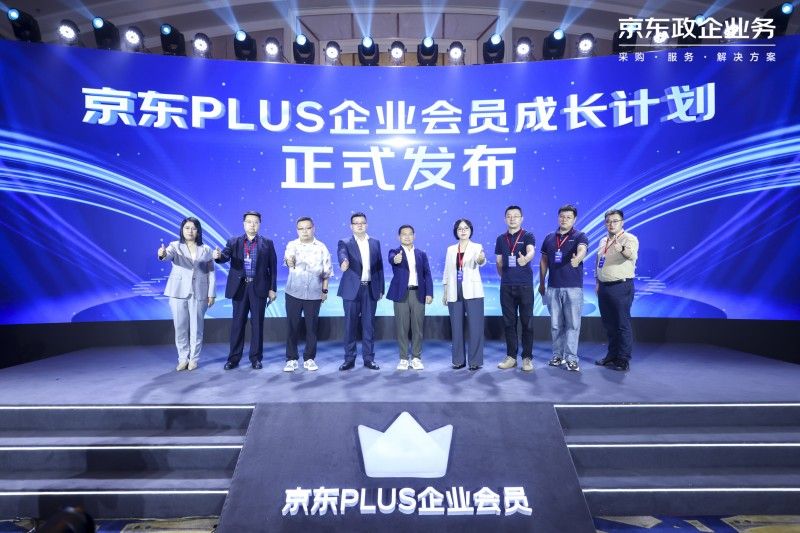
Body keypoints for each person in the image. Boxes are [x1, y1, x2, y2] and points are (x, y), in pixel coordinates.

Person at [213, 211, 277, 370]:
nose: (252, 225)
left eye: (255, 222)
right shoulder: (234, 241)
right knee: (237, 324)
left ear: (259, 224)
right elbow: (224, 256)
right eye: (249, 222)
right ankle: (233, 359)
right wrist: (218, 256)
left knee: (257, 324)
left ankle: (256, 358)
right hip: (240, 288)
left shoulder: (267, 243)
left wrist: (272, 289)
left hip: (259, 288)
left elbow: (273, 268)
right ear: (244, 224)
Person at [158, 217, 216, 371]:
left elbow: (211, 273)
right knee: (180, 327)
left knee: (197, 328)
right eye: (187, 228)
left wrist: (212, 293)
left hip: (200, 291)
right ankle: (183, 358)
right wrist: (162, 254)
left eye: (194, 228)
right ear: (182, 230)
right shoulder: (175, 246)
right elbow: (166, 255)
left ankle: (194, 359)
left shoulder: (206, 249)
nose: (190, 231)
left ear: (198, 231)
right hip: (178, 291)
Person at [539, 205, 589, 372]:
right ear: (558, 217)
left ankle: (572, 358)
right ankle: (557, 355)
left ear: (574, 219)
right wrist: (541, 283)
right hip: (553, 287)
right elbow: (544, 261)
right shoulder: (549, 238)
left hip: (573, 288)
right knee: (555, 325)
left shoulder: (580, 236)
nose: (564, 219)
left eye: (568, 217)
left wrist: (578, 259)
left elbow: (582, 249)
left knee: (573, 325)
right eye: (562, 216)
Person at [283, 217, 332, 372]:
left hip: (314, 293)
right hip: (293, 292)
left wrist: (324, 291)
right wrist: (290, 261)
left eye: (308, 228)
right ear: (297, 230)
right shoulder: (292, 245)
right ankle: (291, 359)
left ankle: (309, 358)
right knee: (292, 327)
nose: (305, 231)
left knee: (312, 328)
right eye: (301, 228)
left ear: (313, 228)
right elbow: (288, 258)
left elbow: (326, 272)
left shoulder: (322, 247)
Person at [337, 212, 384, 371]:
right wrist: (343, 262)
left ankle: (369, 359)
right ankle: (349, 359)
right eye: (356, 223)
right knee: (350, 326)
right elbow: (342, 254)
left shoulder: (375, 242)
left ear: (366, 225)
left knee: (369, 326)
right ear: (351, 226)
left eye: (362, 223)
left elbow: (379, 267)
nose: (359, 225)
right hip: (351, 290)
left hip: (370, 289)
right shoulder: (345, 242)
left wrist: (380, 288)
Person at [594, 209, 639, 372]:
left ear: (622, 222)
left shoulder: (629, 238)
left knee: (622, 324)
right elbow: (598, 261)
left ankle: (623, 359)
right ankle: (612, 356)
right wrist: (597, 282)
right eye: (608, 221)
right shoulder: (603, 240)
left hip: (621, 286)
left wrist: (621, 248)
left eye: (615, 221)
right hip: (604, 287)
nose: (611, 224)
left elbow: (631, 255)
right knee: (609, 325)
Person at [495, 205, 536, 371]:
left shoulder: (527, 235)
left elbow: (531, 251)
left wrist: (526, 259)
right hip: (506, 286)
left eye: (516, 216)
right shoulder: (500, 239)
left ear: (521, 219)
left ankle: (527, 358)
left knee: (527, 323)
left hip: (525, 286)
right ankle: (511, 357)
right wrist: (505, 277)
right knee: (509, 323)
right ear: (505, 219)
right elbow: (499, 262)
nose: (512, 218)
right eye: (509, 216)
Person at [387, 225, 434, 370]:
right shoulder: (394, 252)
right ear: (399, 237)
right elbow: (392, 259)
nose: (407, 236)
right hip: (401, 294)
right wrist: (396, 259)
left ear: (414, 236)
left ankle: (416, 357)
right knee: (402, 328)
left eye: (410, 234)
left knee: (417, 328)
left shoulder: (421, 254)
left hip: (418, 293)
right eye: (404, 234)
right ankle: (403, 358)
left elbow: (427, 274)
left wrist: (429, 293)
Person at [443, 218, 487, 370]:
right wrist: (445, 292)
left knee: (475, 327)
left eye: (466, 228)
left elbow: (480, 261)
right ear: (456, 231)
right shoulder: (450, 249)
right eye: (460, 228)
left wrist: (481, 259)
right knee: (456, 328)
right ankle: (458, 360)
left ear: (470, 230)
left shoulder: (477, 247)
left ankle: (475, 361)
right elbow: (447, 271)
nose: (463, 231)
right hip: (454, 290)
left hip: (473, 291)